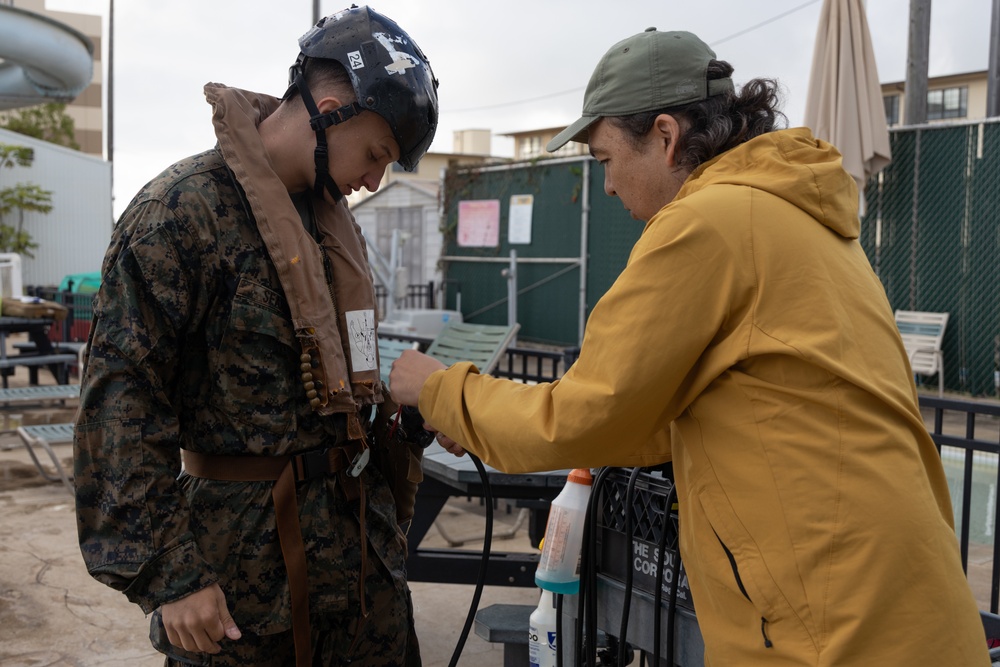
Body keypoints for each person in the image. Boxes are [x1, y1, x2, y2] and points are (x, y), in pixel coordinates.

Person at [389, 28, 992, 665]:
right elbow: (651, 423)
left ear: (667, 136)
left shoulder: (705, 224)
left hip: (829, 630)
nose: (609, 187)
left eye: (605, 160)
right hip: (909, 609)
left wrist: (437, 389)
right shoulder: (794, 215)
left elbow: (585, 415)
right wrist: (472, 417)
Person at [74, 6, 437, 666]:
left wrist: (401, 418)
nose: (373, 180)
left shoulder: (334, 233)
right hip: (244, 589)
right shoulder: (180, 212)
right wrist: (171, 577)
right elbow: (121, 402)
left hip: (361, 581)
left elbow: (342, 385)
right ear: (330, 108)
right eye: (376, 153)